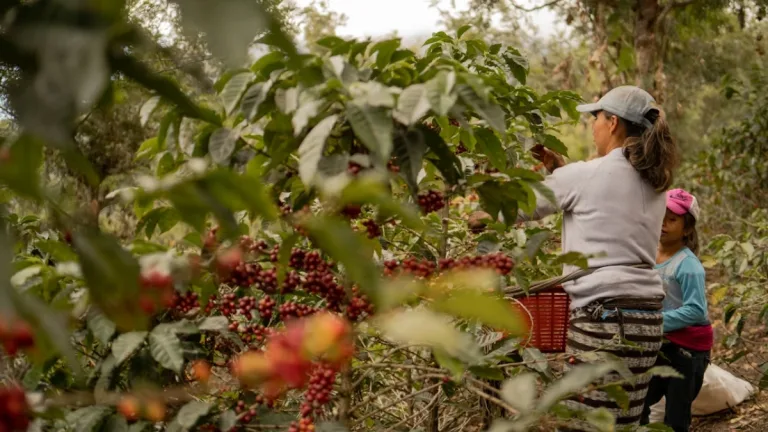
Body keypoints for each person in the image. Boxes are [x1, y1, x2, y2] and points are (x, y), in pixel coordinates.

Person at [470, 86, 680, 428]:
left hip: (604, 319)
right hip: (648, 319)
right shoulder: (656, 183)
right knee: (623, 422)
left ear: (612, 123)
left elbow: (510, 209)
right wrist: (561, 172)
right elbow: (604, 202)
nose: (592, 125)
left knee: (588, 423)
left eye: (595, 118)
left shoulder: (584, 175)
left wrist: (475, 213)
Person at [640, 188, 712, 432]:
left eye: (672, 220)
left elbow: (696, 311)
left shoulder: (688, 265)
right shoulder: (649, 254)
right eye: (661, 217)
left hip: (687, 351)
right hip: (661, 343)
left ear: (687, 228)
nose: (663, 224)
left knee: (677, 415)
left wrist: (654, 322)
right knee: (639, 401)